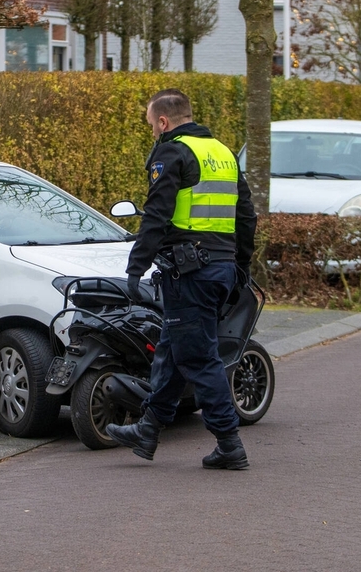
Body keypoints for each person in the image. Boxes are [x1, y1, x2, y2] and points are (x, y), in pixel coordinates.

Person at [106, 88, 257, 470]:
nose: (152, 132)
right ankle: (148, 429)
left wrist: (135, 268)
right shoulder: (222, 153)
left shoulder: (172, 152)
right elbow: (246, 215)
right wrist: (240, 266)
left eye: (151, 125)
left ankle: (229, 443)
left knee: (199, 358)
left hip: (190, 273)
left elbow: (156, 215)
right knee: (172, 351)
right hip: (220, 269)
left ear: (163, 121)